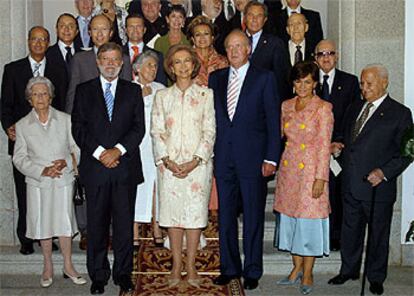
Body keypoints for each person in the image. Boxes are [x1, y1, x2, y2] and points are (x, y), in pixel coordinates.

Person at [328, 64, 413, 296]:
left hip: (378, 188)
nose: (364, 88)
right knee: (349, 231)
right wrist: (338, 145)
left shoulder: (400, 113)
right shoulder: (355, 107)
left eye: (369, 84)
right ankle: (349, 270)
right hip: (351, 183)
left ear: (384, 83)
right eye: (362, 83)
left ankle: (375, 277)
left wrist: (384, 172)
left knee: (378, 235)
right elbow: (345, 136)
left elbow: (407, 152)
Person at [209, 30, 281, 290]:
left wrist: (272, 158)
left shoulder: (265, 78)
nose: (234, 50)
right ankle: (229, 267)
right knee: (226, 216)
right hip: (223, 159)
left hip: (253, 159)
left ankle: (252, 269)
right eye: (229, 47)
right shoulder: (215, 79)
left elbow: (274, 121)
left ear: (248, 48)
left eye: (239, 46)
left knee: (252, 216)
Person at [71, 42, 145, 295]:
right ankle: (99, 275)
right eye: (105, 59)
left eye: (115, 59)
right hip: (95, 168)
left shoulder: (133, 91)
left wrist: (117, 151)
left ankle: (123, 274)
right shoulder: (83, 91)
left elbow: (139, 129)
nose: (111, 63)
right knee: (97, 226)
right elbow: (78, 128)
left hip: (124, 168)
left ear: (122, 63)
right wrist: (101, 153)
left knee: (124, 226)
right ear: (98, 62)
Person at [151, 44, 215, 287]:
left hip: (197, 168)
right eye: (177, 62)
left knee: (194, 217)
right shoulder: (162, 96)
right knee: (173, 217)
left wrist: (196, 160)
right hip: (169, 168)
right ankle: (177, 265)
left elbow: (210, 131)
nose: (183, 66)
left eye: (187, 60)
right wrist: (166, 160)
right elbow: (156, 131)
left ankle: (192, 266)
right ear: (170, 67)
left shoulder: (205, 95)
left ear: (194, 64)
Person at [12, 77, 86, 288]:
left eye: (44, 93)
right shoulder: (22, 125)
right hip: (38, 182)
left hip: (63, 178)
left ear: (51, 96)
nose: (40, 98)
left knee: (64, 223)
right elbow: (19, 158)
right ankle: (47, 266)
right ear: (29, 99)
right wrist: (42, 170)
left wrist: (67, 163)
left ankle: (68, 265)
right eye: (35, 94)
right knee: (43, 224)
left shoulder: (66, 119)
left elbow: (77, 149)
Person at [1, 26, 65, 256]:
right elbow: (5, 104)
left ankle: (49, 234)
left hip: (52, 141)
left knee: (51, 191)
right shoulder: (13, 69)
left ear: (48, 43)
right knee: (25, 191)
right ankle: (27, 237)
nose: (39, 43)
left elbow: (63, 103)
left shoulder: (58, 69)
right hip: (24, 141)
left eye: (43, 40)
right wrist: (9, 127)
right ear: (28, 41)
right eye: (34, 39)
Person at [273, 61, 333, 295]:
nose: (302, 86)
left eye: (307, 81)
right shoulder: (286, 105)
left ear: (315, 83)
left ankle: (308, 272)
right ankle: (296, 267)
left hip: (311, 171)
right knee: (291, 221)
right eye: (298, 81)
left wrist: (321, 178)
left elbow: (323, 145)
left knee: (308, 223)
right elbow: (279, 135)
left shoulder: (323, 108)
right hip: (289, 170)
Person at [314, 39, 360, 251]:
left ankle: (335, 237)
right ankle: (317, 235)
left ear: (337, 56)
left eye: (330, 53)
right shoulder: (308, 81)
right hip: (314, 149)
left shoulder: (349, 82)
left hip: (339, 148)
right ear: (315, 58)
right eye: (321, 54)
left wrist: (338, 142)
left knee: (337, 194)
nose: (326, 57)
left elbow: (353, 117)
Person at [186, 15, 228, 215]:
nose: (202, 38)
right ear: (192, 38)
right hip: (191, 123)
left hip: (218, 121)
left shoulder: (223, 61)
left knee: (216, 166)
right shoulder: (185, 60)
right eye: (198, 35)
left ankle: (214, 214)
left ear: (213, 37)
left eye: (206, 34)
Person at [131, 50, 166, 246]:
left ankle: (157, 227)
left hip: (157, 145)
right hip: (136, 146)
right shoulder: (128, 88)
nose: (153, 69)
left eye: (155, 66)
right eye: (149, 65)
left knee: (157, 187)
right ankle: (134, 230)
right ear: (138, 69)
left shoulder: (160, 88)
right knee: (138, 186)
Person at [66, 14, 132, 114]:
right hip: (87, 117)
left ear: (111, 33)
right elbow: (72, 93)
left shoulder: (123, 59)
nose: (100, 34)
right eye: (95, 29)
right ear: (89, 32)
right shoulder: (79, 59)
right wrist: (69, 118)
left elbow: (128, 93)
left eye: (104, 29)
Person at [244, 1, 291, 100]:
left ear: (265, 19)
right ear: (244, 18)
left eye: (259, 16)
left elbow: (281, 79)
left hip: (266, 101)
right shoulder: (235, 40)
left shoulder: (275, 44)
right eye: (250, 15)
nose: (254, 19)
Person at [46, 13, 81, 104]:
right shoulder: (47, 55)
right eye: (62, 26)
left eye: (71, 26)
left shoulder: (83, 54)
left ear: (77, 31)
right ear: (56, 30)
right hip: (55, 109)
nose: (66, 29)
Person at [123, 13, 167, 85]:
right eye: (131, 27)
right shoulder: (118, 54)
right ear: (126, 30)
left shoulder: (157, 55)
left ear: (144, 30)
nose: (135, 30)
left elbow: (161, 84)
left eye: (139, 26)